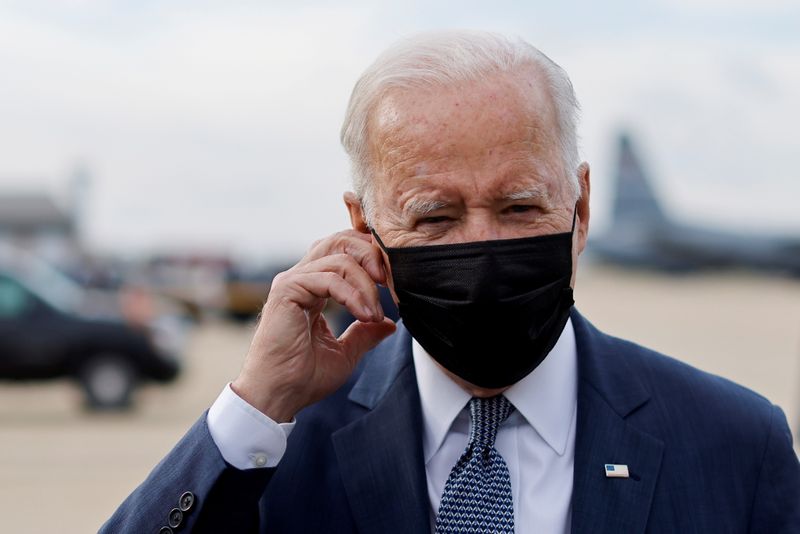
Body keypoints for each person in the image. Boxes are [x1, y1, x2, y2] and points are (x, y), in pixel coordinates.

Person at [103, 31, 799, 534]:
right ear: (363, 226)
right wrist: (256, 405)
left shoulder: (734, 442)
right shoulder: (276, 450)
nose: (483, 250)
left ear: (580, 212)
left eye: (520, 207)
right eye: (435, 216)